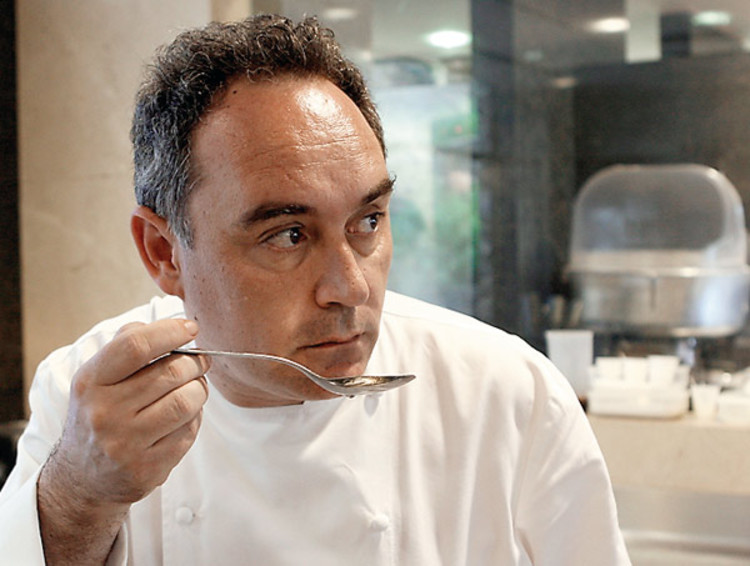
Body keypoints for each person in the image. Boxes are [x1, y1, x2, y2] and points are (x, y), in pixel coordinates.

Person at [0, 14, 631, 565]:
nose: (350, 288)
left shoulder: (508, 395)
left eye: (368, 221)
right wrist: (79, 497)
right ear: (164, 252)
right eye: (288, 235)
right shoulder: (88, 400)